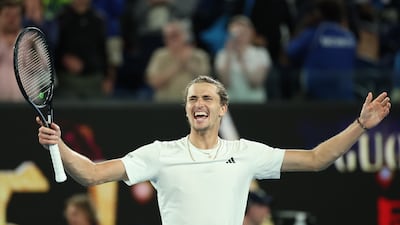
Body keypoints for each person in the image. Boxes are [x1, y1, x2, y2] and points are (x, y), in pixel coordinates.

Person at [37, 75, 391, 225]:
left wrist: (359, 126)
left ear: (222, 108)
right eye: (192, 98)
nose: (199, 103)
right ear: (187, 109)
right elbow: (92, 174)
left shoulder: (246, 152)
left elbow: (316, 160)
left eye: (207, 97)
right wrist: (61, 146)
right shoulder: (161, 153)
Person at [146, 19, 211, 102]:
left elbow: (207, 82)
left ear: (185, 35)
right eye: (167, 37)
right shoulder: (159, 55)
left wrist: (188, 64)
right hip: (165, 104)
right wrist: (177, 65)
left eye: (175, 35)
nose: (171, 40)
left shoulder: (199, 55)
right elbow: (154, 83)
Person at [215, 15, 271, 103]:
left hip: (255, 103)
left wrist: (241, 57)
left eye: (243, 32)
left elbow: (256, 82)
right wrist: (229, 54)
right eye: (236, 33)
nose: (239, 37)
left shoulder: (261, 53)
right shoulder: (222, 55)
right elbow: (225, 82)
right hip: (231, 103)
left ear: (251, 33)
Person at [0, 0, 24, 102]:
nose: (11, 19)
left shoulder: (31, 40)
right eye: (7, 15)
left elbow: (45, 70)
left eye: (15, 15)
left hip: (25, 107)